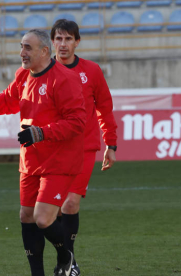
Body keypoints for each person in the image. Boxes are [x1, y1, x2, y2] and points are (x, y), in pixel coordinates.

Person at [0, 29, 86, 276]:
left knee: (43, 218)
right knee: (26, 216)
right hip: (31, 159)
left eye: (27, 48)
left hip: (59, 159)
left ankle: (66, 255)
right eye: (21, 46)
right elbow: (10, 102)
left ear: (45, 51)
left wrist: (40, 133)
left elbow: (77, 122)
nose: (22, 53)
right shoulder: (23, 75)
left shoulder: (65, 79)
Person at [50, 19, 118, 276]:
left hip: (83, 148)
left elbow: (105, 108)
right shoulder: (42, 70)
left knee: (69, 204)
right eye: (58, 38)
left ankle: (69, 262)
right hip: (51, 149)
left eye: (68, 39)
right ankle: (65, 259)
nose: (63, 44)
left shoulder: (91, 71)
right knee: (51, 209)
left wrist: (111, 143)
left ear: (77, 42)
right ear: (52, 41)